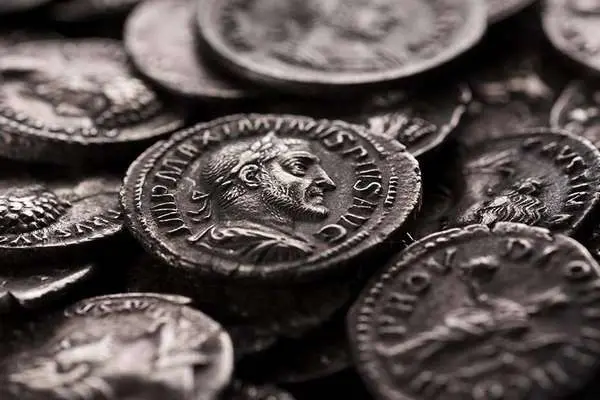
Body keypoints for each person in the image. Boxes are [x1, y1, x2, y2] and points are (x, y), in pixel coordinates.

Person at [187, 132, 336, 264]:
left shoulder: (291, 244)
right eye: (299, 167)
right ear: (250, 177)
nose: (328, 182)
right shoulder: (278, 250)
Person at [232, 0, 407, 71]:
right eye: (380, 8)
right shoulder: (289, 56)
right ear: (339, 8)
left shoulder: (386, 60)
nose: (396, 17)